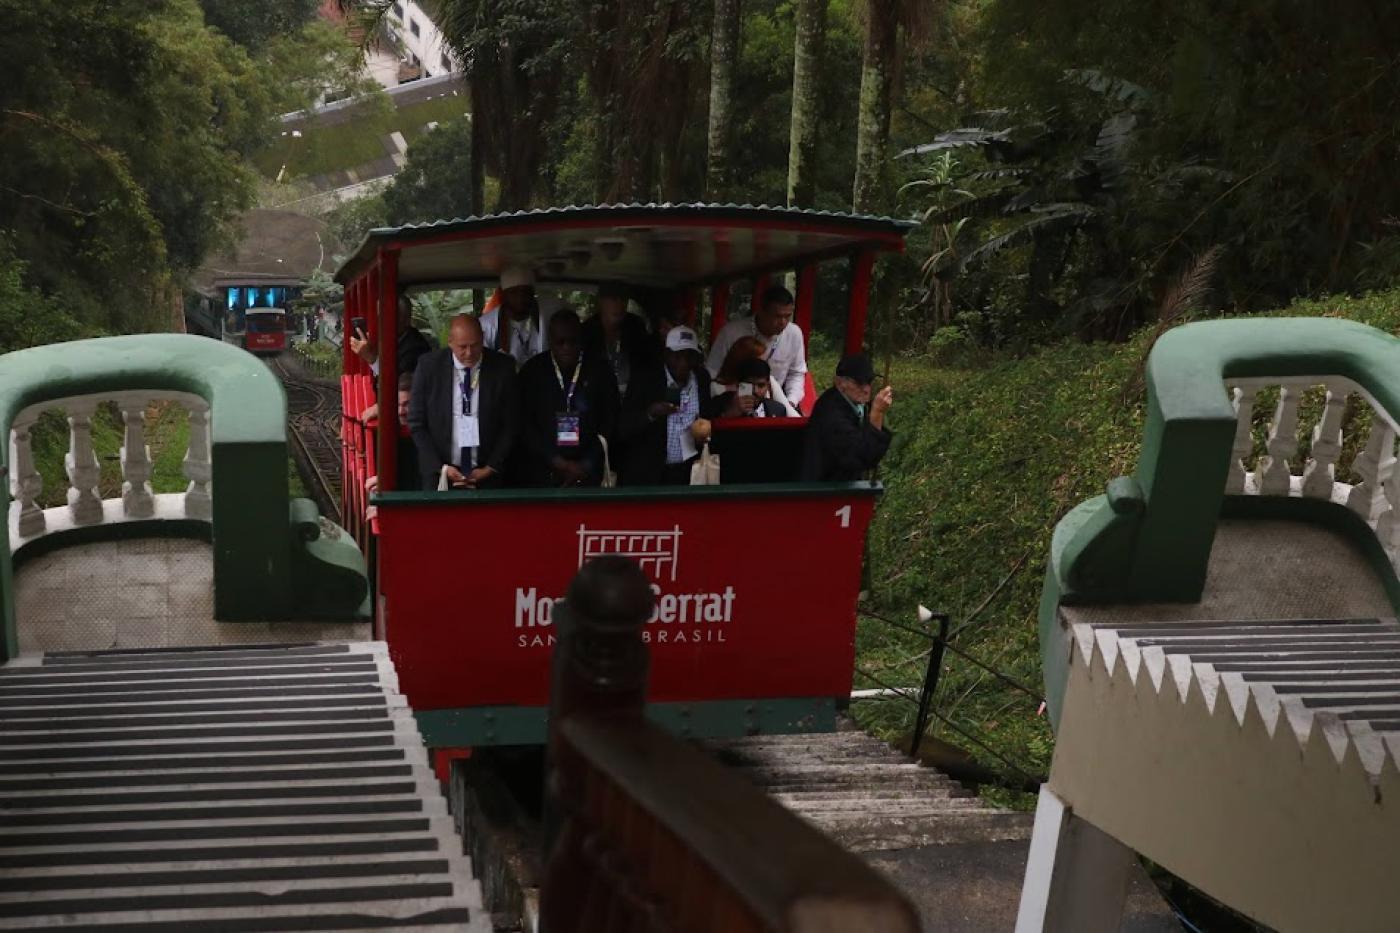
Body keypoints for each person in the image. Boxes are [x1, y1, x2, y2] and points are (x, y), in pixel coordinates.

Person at [408, 314, 518, 490]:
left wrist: (491, 467)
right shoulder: (429, 367)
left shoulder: (502, 368)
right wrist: (440, 467)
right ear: (450, 342)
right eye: (462, 347)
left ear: (482, 338)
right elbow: (416, 423)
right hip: (441, 474)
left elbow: (511, 423)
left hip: (487, 473)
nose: (469, 353)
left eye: (475, 345)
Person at [515, 309, 621, 487]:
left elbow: (610, 420)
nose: (567, 348)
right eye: (560, 342)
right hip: (542, 472)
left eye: (573, 342)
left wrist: (587, 463)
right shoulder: (532, 371)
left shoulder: (600, 369)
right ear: (550, 341)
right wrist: (555, 461)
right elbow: (524, 425)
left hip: (590, 470)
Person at [618, 325, 711, 485]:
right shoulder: (646, 380)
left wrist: (703, 434)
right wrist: (650, 414)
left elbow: (708, 413)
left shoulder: (701, 379)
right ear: (666, 354)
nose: (684, 362)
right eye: (678, 356)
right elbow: (623, 428)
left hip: (688, 473)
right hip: (649, 475)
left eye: (689, 356)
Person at [706, 284, 808, 411]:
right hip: (733, 405)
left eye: (787, 316)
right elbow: (711, 373)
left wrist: (789, 402)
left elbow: (796, 373)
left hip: (776, 407)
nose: (783, 322)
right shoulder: (731, 332)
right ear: (761, 311)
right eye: (777, 316)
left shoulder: (794, 333)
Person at [800, 353, 893, 482]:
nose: (866, 389)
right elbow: (861, 456)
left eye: (869, 382)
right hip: (822, 491)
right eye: (859, 383)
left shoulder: (855, 404)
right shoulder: (831, 413)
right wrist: (876, 413)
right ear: (840, 383)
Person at [480, 265, 560, 368]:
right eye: (514, 292)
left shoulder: (549, 314)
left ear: (533, 294)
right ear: (504, 295)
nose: (521, 297)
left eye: (526, 292)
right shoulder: (487, 324)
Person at [580, 283, 652, 396]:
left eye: (623, 299)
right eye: (614, 299)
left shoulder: (635, 327)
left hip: (632, 397)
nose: (619, 304)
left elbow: (646, 362)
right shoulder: (587, 331)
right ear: (601, 302)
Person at [349, 295, 434, 378]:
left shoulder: (416, 348)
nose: (382, 322)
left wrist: (372, 358)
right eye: (380, 316)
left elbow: (398, 384)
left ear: (407, 320)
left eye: (389, 316)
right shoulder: (392, 340)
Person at [710, 335, 797, 415]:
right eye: (757, 362)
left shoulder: (770, 382)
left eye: (761, 385)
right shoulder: (717, 392)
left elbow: (790, 414)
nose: (755, 390)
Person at [704, 357, 789, 419]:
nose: (755, 391)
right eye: (749, 385)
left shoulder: (778, 410)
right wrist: (729, 414)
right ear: (738, 384)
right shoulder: (719, 404)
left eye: (761, 385)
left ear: (768, 385)